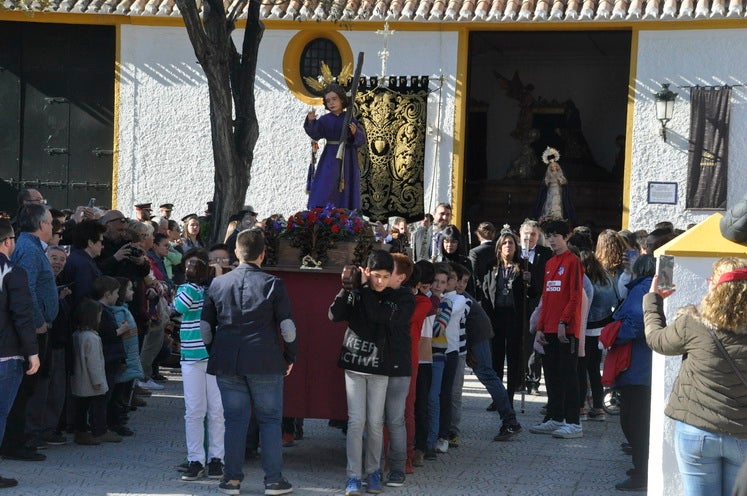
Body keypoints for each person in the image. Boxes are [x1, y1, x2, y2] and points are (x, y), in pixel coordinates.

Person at [201, 228, 296, 496]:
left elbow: (205, 327)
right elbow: (287, 326)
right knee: (269, 420)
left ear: (236, 253)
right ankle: (273, 481)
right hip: (266, 360)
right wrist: (290, 356)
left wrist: (214, 351)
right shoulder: (273, 283)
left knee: (234, 421)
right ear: (263, 254)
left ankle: (231, 480)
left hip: (228, 359)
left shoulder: (217, 284)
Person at [645, 257, 747, 496]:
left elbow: (657, 340)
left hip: (697, 430)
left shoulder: (693, 323)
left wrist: (653, 302)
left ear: (713, 285)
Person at [329, 250, 414, 496]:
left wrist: (364, 289)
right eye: (376, 276)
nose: (380, 281)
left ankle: (373, 472)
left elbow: (380, 316)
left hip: (381, 367)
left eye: (386, 276)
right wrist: (346, 289)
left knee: (376, 424)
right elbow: (334, 315)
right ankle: (353, 476)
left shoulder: (399, 297)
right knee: (356, 423)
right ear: (367, 272)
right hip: (355, 365)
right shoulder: (356, 292)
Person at [2, 205, 57, 462]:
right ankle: (14, 443)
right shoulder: (28, 249)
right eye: (50, 222)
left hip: (31, 331)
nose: (53, 227)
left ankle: (17, 441)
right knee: (21, 392)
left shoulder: (31, 247)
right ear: (40, 224)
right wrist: (38, 323)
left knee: (25, 391)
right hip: (30, 333)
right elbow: (27, 291)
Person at [528, 219, 584, 439]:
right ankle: (555, 417)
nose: (551, 240)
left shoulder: (573, 262)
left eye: (555, 236)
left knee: (569, 375)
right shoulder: (550, 263)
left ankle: (574, 422)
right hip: (548, 327)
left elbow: (575, 296)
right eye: (548, 236)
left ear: (566, 237)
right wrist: (541, 327)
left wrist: (564, 322)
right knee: (551, 374)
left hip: (566, 330)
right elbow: (546, 298)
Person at [606, 254, 655, 491]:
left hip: (636, 366)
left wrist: (613, 335)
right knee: (636, 420)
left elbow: (636, 323)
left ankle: (641, 474)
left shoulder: (641, 288)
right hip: (641, 366)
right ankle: (641, 468)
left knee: (633, 421)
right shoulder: (647, 286)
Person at [174, 248, 225, 482]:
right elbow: (180, 307)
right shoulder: (190, 289)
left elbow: (178, 308)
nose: (190, 269)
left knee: (215, 409)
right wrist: (192, 285)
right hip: (193, 356)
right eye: (188, 265)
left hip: (211, 354)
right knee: (195, 410)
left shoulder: (213, 289)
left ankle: (217, 459)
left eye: (196, 265)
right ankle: (196, 458)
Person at [0, 219, 40, 488]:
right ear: (8, 241)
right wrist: (32, 352)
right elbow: (23, 316)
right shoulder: (13, 271)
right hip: (6, 355)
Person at [482, 227, 529, 407]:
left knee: (514, 356)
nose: (508, 246)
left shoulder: (523, 266)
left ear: (516, 247)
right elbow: (486, 292)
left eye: (511, 243)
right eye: (505, 243)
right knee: (497, 357)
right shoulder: (491, 266)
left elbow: (533, 292)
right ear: (499, 247)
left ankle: (509, 396)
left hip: (514, 316)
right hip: (496, 316)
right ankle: (497, 397)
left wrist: (528, 280)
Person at [382, 253, 417, 487]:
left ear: (401, 277)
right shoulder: (375, 292)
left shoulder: (406, 297)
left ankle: (398, 468)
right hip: (373, 365)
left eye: (388, 271)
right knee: (370, 420)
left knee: (395, 419)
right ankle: (372, 467)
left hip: (397, 364)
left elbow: (392, 320)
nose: (382, 275)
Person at [304, 84, 366, 210]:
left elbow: (361, 140)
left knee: (346, 183)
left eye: (334, 99)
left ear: (342, 100)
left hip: (347, 156)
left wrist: (355, 133)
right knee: (327, 181)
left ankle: (345, 210)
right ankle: (323, 208)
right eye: (328, 100)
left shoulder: (350, 119)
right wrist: (310, 121)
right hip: (330, 156)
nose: (331, 103)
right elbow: (316, 133)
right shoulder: (325, 120)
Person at [576, 248, 618, 422]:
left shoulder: (585, 282)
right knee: (594, 369)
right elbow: (615, 299)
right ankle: (598, 407)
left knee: (581, 369)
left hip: (586, 329)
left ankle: (581, 406)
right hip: (601, 330)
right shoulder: (607, 277)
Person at [70, 299, 119, 445]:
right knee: (96, 406)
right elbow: (94, 363)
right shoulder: (91, 338)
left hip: (79, 379)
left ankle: (81, 431)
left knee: (81, 407)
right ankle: (97, 431)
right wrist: (98, 381)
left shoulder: (77, 335)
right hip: (91, 381)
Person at [520, 219, 553, 396]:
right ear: (521, 235)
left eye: (533, 234)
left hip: (536, 302)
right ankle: (519, 378)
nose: (529, 238)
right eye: (526, 234)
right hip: (517, 303)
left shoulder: (545, 253)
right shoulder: (512, 252)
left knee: (534, 344)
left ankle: (533, 380)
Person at [468, 221, 497, 302]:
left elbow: (473, 273)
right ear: (493, 234)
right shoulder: (499, 249)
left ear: (478, 234)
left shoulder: (474, 252)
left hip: (481, 292)